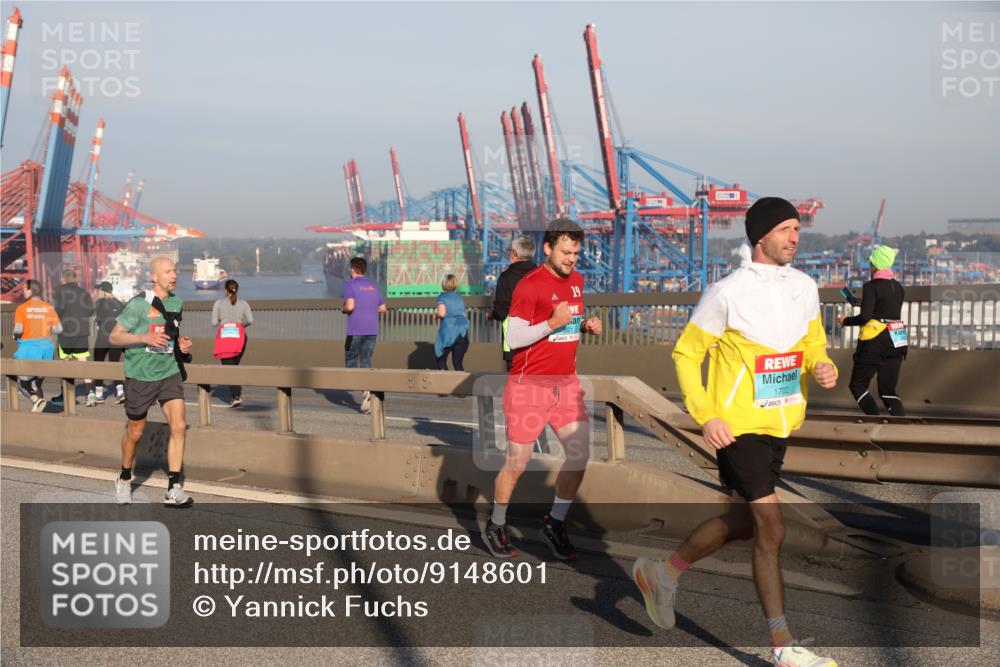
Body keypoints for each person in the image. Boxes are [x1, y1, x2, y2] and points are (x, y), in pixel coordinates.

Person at [631, 198, 839, 667]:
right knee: (773, 526)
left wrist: (821, 364)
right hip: (736, 429)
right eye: (785, 229)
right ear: (760, 236)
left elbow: (812, 343)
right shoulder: (726, 293)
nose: (794, 237)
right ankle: (783, 645)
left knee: (745, 522)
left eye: (797, 229)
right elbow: (686, 354)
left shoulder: (805, 287)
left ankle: (663, 574)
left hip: (780, 423)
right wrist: (707, 415)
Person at [481, 219, 602, 561]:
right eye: (566, 252)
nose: (572, 259)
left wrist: (586, 324)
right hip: (529, 384)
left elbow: (569, 320)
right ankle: (496, 523)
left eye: (576, 252)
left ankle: (554, 523)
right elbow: (513, 337)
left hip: (566, 383)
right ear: (548, 249)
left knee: (579, 456)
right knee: (517, 463)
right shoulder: (529, 285)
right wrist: (553, 323)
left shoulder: (577, 281)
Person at [108, 257, 194, 506]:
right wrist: (145, 337)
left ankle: (174, 488)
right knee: (135, 432)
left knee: (178, 426)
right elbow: (114, 337)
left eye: (175, 271)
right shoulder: (137, 305)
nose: (174, 275)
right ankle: (124, 478)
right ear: (155, 277)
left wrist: (179, 344)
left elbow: (169, 335)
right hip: (140, 376)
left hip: (168, 372)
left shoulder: (177, 302)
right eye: (168, 272)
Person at [838, 245, 907, 416]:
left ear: (875, 264)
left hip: (876, 342)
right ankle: (902, 428)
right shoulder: (898, 287)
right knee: (888, 390)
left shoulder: (871, 286)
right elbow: (886, 307)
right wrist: (862, 301)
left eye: (871, 262)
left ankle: (874, 420)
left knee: (858, 385)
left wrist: (846, 321)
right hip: (897, 340)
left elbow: (865, 318)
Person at [341, 256, 387, 413]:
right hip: (372, 329)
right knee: (366, 361)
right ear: (365, 269)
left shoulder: (350, 285)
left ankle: (363, 390)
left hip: (355, 330)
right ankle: (367, 392)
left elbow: (350, 306)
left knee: (350, 361)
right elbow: (382, 308)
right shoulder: (373, 285)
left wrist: (343, 309)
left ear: (352, 269)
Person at [12, 279, 62, 413]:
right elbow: (58, 329)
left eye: (24, 289)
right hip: (46, 350)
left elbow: (18, 330)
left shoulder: (21, 308)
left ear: (30, 291)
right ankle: (41, 410)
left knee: (22, 383)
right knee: (36, 383)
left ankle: (35, 400)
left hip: (28, 350)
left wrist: (15, 334)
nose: (23, 292)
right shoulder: (49, 307)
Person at [488, 236, 537, 371]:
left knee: (515, 381)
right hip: (538, 341)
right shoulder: (541, 275)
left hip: (512, 341)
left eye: (510, 251)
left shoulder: (506, 277)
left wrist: (493, 314)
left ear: (515, 254)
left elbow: (500, 310)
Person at [51, 269, 96, 407]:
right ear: (76, 279)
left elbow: (58, 310)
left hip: (65, 333)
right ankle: (90, 394)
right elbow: (90, 311)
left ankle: (66, 395)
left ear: (63, 279)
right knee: (83, 363)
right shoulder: (84, 293)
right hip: (81, 333)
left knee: (65, 363)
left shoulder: (59, 291)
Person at [212, 279, 254, 408]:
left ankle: (236, 396)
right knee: (234, 365)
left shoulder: (218, 303)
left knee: (229, 368)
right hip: (240, 337)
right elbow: (250, 320)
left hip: (225, 339)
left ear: (225, 290)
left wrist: (223, 321)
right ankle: (236, 392)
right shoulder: (243, 303)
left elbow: (214, 323)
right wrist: (239, 325)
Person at [92, 281, 126, 404]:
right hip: (117, 338)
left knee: (98, 365)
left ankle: (99, 395)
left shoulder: (99, 303)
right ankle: (121, 392)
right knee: (115, 365)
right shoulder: (119, 303)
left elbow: (99, 321)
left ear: (102, 290)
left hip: (103, 338)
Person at [434, 274, 470, 371]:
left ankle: (445, 383)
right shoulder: (459, 298)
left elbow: (442, 313)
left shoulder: (442, 297)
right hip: (462, 332)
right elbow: (464, 315)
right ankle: (462, 385)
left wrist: (435, 315)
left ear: (444, 284)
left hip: (448, 333)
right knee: (458, 363)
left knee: (441, 359)